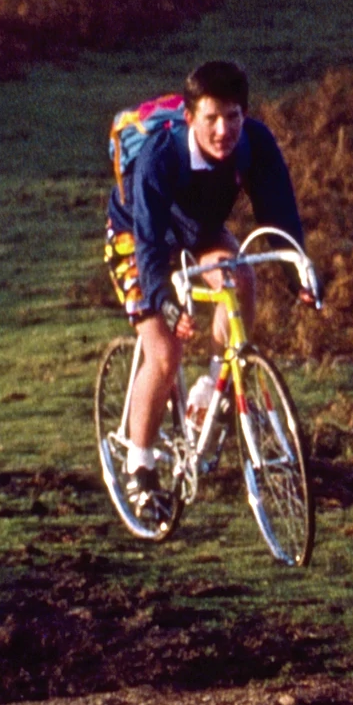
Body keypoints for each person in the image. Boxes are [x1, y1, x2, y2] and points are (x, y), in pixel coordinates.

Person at [105, 58, 307, 494]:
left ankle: (208, 388)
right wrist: (164, 301)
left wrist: (299, 273)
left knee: (241, 280)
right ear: (189, 117)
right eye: (211, 118)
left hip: (198, 228)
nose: (223, 131)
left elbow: (279, 213)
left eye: (232, 117)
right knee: (165, 352)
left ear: (245, 115)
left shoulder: (254, 144)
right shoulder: (161, 158)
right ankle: (139, 467)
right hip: (138, 235)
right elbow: (149, 244)